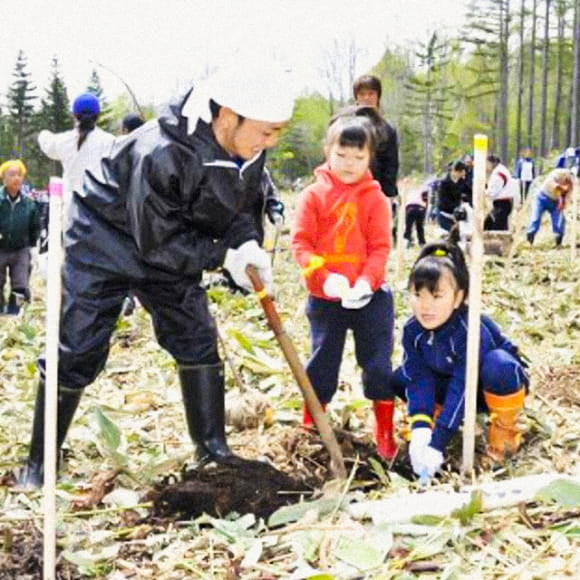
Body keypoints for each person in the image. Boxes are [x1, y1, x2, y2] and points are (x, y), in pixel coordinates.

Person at [19, 62, 297, 488]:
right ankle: (39, 462)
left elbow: (243, 206)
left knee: (196, 336)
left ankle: (211, 449)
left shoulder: (249, 151)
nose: (271, 141)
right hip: (105, 239)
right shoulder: (162, 150)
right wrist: (223, 255)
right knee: (79, 347)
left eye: (278, 131)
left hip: (174, 243)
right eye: (265, 131)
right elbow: (158, 243)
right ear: (227, 116)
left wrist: (246, 244)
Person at [291, 115, 397, 460]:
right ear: (327, 152)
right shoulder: (313, 196)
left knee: (378, 364)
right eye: (342, 155)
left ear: (369, 158)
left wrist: (367, 280)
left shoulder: (375, 199)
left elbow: (380, 246)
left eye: (358, 157)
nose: (349, 164)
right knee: (322, 363)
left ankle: (384, 431)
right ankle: (312, 427)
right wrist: (325, 278)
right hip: (326, 299)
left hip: (370, 297)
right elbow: (302, 245)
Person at [392, 234, 529, 478]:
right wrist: (421, 427)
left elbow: (463, 384)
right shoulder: (412, 331)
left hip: (484, 388)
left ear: (459, 298)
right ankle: (433, 418)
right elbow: (419, 378)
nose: (426, 306)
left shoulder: (471, 328)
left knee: (499, 365)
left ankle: (504, 435)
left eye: (437, 296)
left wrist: (438, 443)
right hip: (447, 385)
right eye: (417, 294)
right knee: (400, 377)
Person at [37, 93, 115, 227]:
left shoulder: (63, 141)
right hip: (102, 213)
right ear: (98, 115)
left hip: (71, 214)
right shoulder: (110, 141)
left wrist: (42, 133)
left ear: (74, 115)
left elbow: (46, 142)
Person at [353, 75, 399, 240]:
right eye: (362, 94)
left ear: (378, 96)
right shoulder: (344, 124)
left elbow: (391, 163)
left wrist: (389, 194)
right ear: (356, 97)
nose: (366, 98)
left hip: (375, 190)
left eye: (371, 93)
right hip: (347, 190)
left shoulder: (387, 129)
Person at [0, 160, 40, 315]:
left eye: (19, 175)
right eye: (12, 174)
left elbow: (35, 227)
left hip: (21, 250)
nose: (16, 178)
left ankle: (15, 312)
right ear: (3, 178)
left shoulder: (29, 203)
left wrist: (34, 248)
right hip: (1, 248)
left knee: (20, 285)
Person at [526, 168, 575, 247]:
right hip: (541, 198)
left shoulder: (571, 185)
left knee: (559, 221)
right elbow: (552, 184)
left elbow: (568, 197)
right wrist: (562, 188)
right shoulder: (557, 173)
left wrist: (563, 204)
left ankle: (558, 242)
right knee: (535, 218)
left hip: (555, 203)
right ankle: (530, 238)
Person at [484, 154, 515, 231]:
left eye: (486, 164)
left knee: (496, 229)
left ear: (490, 163)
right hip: (503, 203)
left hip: (502, 203)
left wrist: (484, 192)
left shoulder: (498, 174)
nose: (486, 167)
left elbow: (493, 192)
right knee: (491, 224)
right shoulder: (501, 170)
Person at [436, 160, 468, 232]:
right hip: (444, 214)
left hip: (456, 215)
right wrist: (456, 207)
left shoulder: (461, 182)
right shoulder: (444, 183)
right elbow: (443, 201)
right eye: (462, 172)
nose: (464, 174)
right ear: (456, 171)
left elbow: (468, 192)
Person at [403, 181, 428, 248]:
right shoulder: (423, 189)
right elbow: (426, 200)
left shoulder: (409, 190)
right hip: (420, 208)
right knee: (420, 227)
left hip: (410, 208)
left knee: (408, 227)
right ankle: (422, 243)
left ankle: (407, 242)